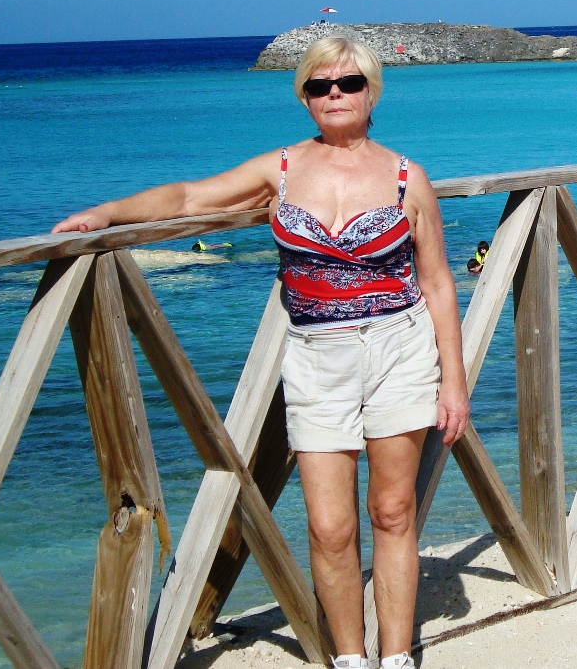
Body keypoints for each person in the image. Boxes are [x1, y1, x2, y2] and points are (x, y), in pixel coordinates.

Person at [53, 36, 469, 669]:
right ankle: (349, 658)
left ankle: (396, 656)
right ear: (304, 97)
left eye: (349, 83)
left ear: (372, 92)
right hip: (316, 355)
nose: (335, 94)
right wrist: (107, 214)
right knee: (329, 526)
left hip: (400, 349)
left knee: (392, 511)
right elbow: (190, 198)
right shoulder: (281, 169)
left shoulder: (407, 177)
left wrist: (453, 383)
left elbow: (437, 282)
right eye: (319, 86)